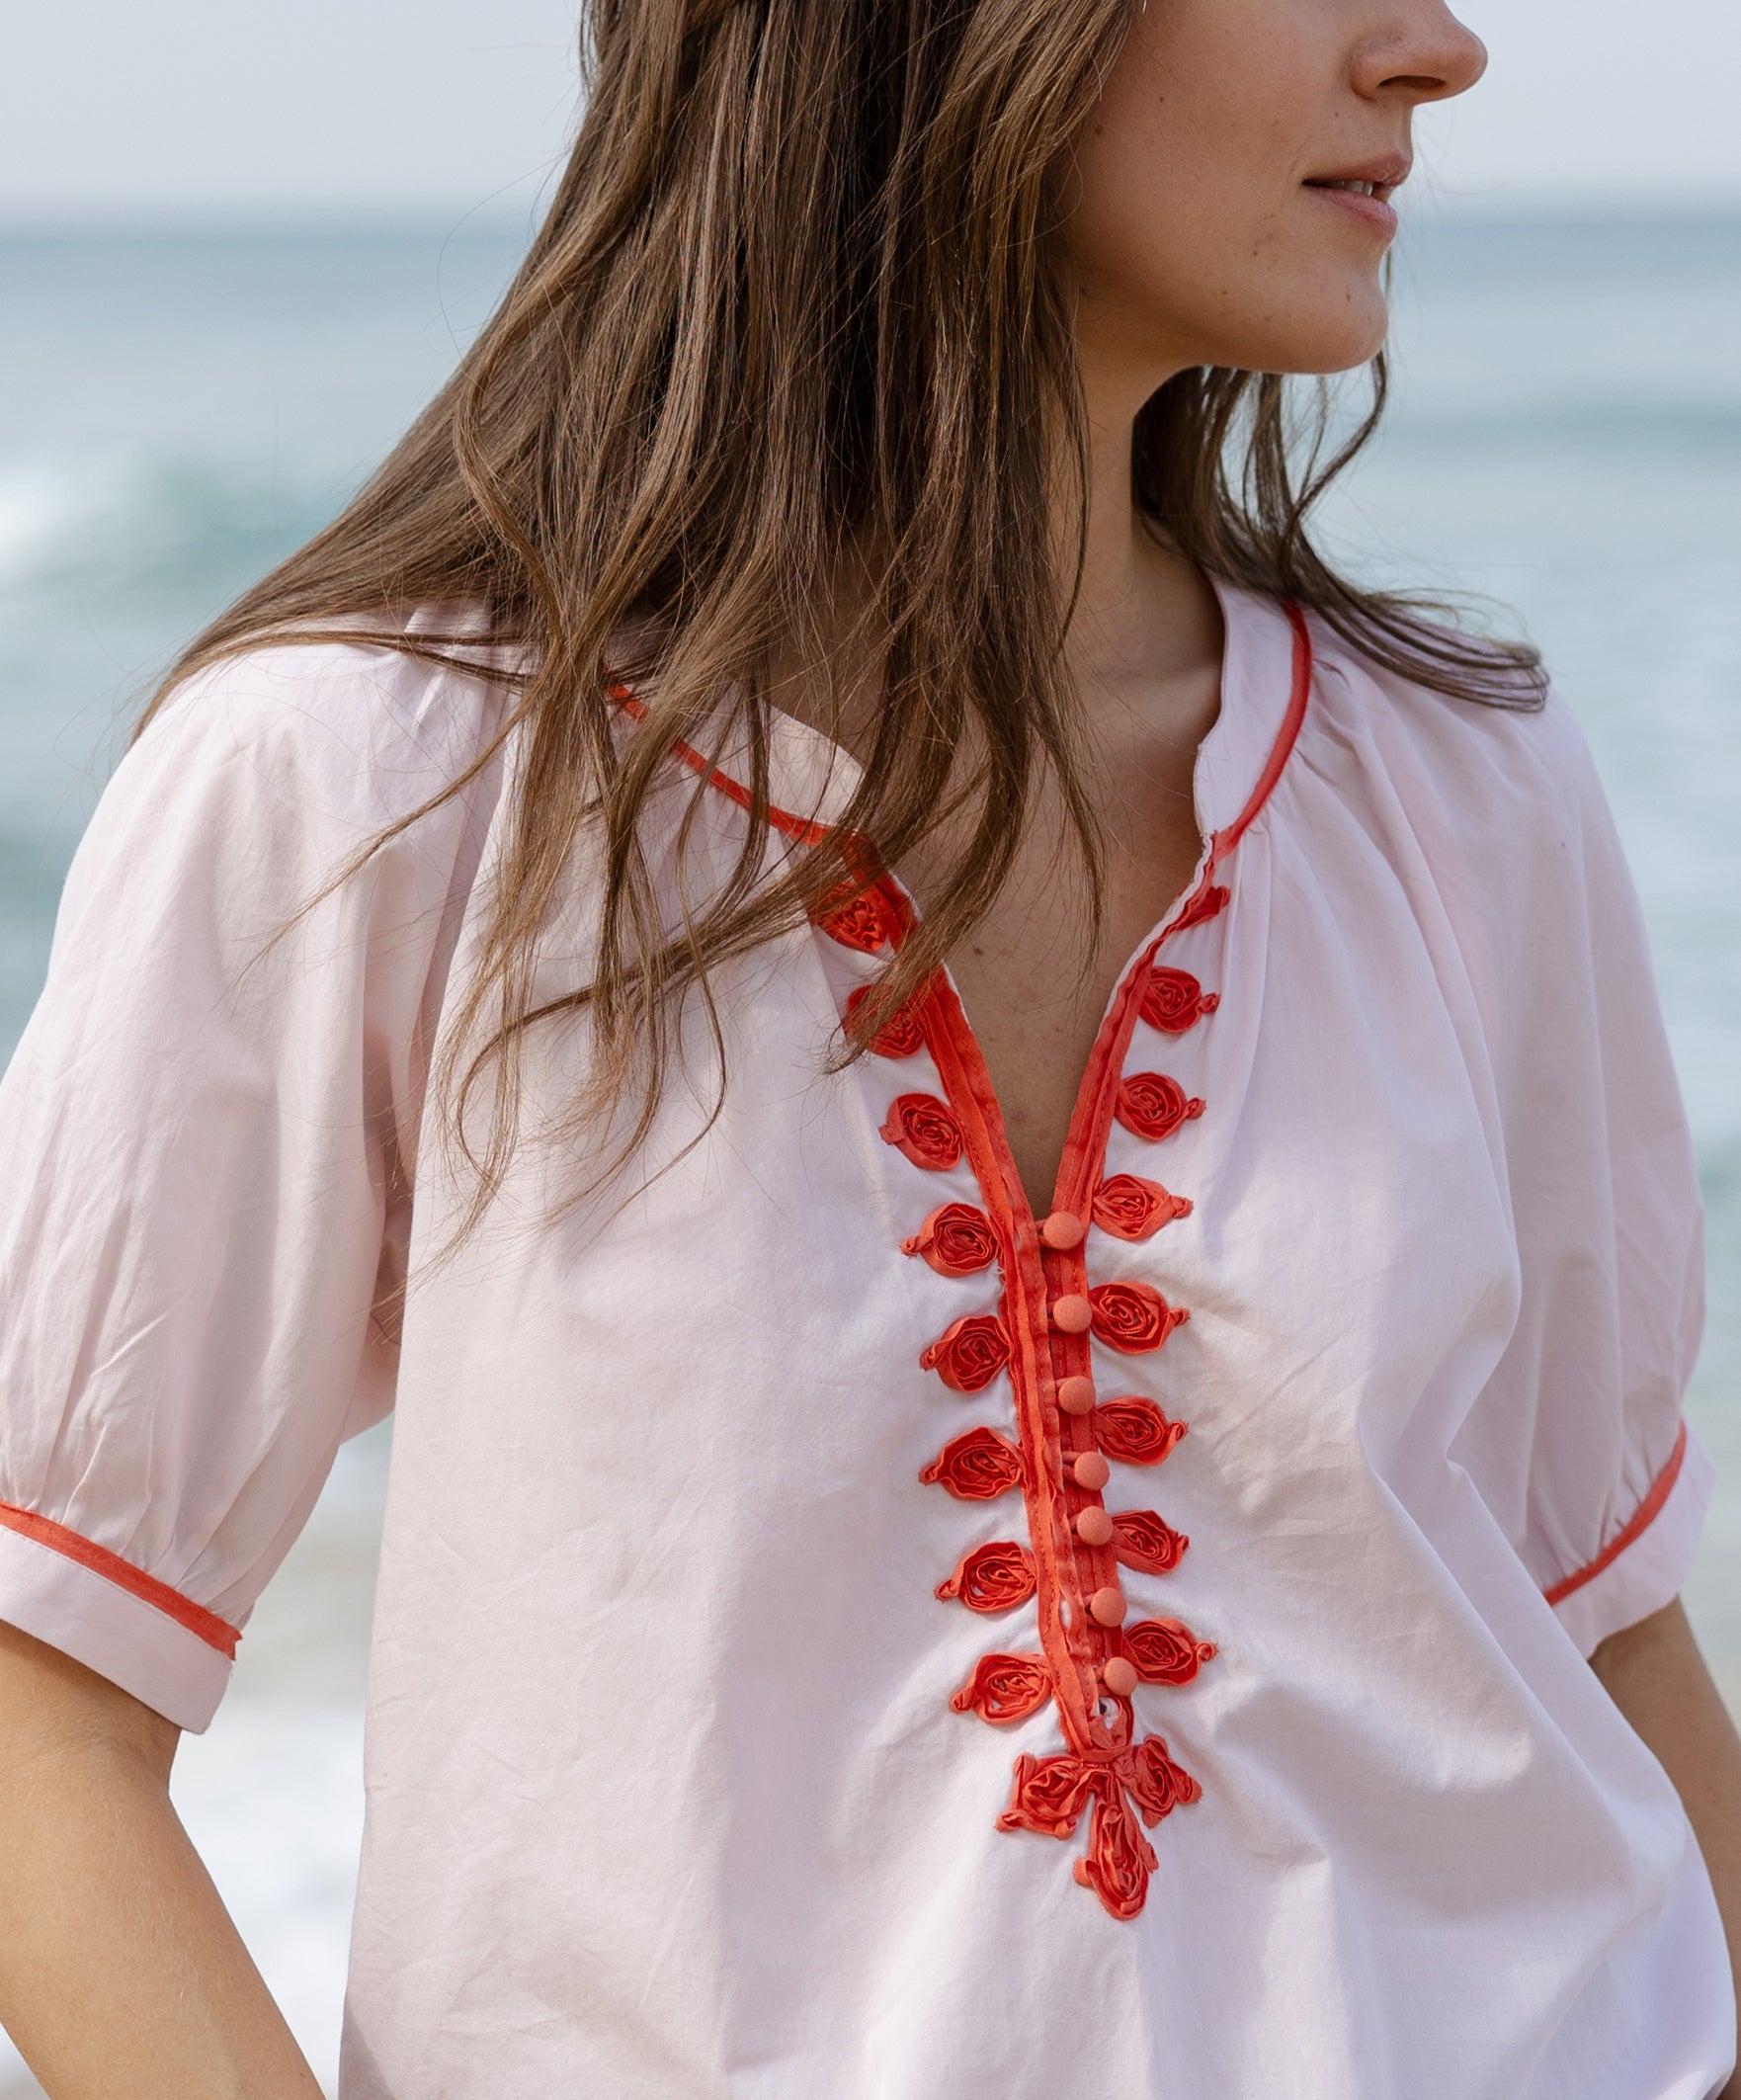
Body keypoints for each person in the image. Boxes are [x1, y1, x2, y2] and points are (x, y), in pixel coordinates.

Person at [0, 1, 1737, 2094]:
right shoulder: (365, 779)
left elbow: (1606, 1638)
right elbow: (42, 1693)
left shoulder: (1459, 784)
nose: (1439, 50)